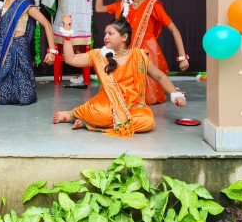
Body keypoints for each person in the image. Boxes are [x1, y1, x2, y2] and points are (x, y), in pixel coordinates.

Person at [53, 15, 187, 136]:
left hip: (134, 107)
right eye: (105, 33)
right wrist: (67, 33)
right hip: (106, 105)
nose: (106, 37)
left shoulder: (139, 56)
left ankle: (90, 122)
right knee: (101, 114)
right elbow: (71, 59)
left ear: (124, 37)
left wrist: (175, 94)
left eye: (110, 33)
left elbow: (160, 76)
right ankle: (74, 114)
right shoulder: (98, 55)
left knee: (147, 122)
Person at [94, 0, 189, 104]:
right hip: (125, 52)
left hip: (147, 53)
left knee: (146, 98)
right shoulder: (123, 4)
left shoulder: (152, 5)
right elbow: (99, 8)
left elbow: (174, 30)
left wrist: (182, 57)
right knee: (119, 96)